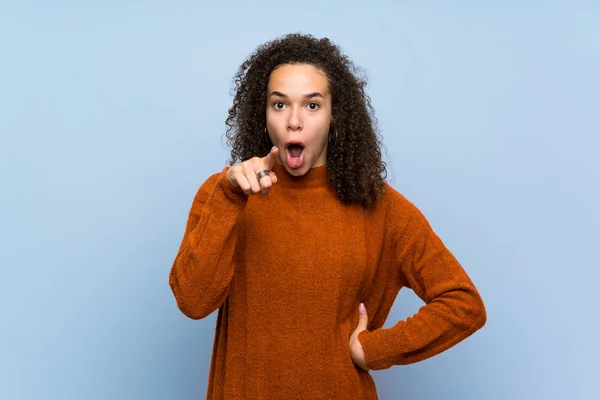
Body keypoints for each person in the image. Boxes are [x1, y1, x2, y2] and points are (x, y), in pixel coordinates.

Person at [169, 33, 486, 399]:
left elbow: (464, 303)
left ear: (336, 114)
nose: (294, 122)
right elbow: (192, 302)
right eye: (279, 104)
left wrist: (375, 349)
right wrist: (229, 195)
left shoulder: (380, 208)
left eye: (312, 105)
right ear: (264, 113)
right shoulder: (224, 193)